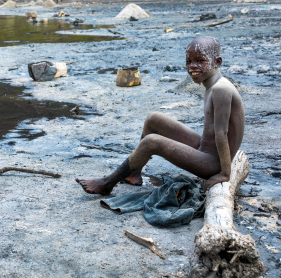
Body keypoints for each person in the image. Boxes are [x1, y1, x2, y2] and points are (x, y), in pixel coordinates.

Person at [76, 36, 245, 195]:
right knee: (153, 119)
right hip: (205, 149)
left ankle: (107, 183)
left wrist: (224, 173)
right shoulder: (213, 85)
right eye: (189, 61)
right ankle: (133, 172)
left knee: (152, 142)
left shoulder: (220, 89)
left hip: (212, 163)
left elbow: (222, 134)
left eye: (200, 61)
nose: (193, 66)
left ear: (217, 62)